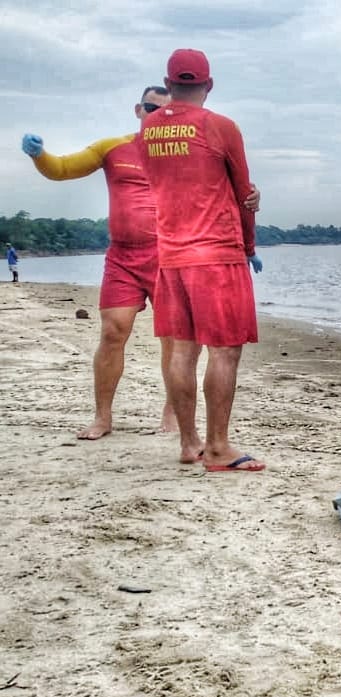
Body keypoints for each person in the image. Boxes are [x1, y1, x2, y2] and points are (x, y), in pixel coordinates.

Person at [21, 86, 261, 440]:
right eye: (150, 108)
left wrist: (250, 203)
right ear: (138, 110)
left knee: (175, 342)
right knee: (112, 331)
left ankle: (172, 411)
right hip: (123, 256)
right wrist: (40, 156)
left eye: (165, 109)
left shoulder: (188, 147)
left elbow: (225, 183)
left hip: (170, 253)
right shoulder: (114, 147)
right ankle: (103, 417)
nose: (156, 115)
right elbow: (63, 168)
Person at [137, 49, 266, 472]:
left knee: (182, 351)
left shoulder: (147, 130)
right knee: (224, 353)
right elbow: (244, 193)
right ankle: (217, 447)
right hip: (216, 252)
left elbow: (164, 180)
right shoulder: (220, 126)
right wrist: (248, 246)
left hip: (170, 253)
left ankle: (189, 442)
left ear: (169, 83)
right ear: (208, 85)